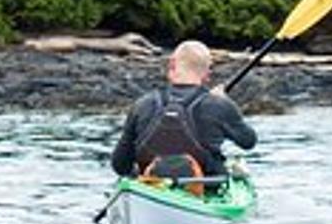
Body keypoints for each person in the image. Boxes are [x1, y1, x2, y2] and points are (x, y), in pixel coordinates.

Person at [110, 40, 258, 192]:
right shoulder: (219, 105)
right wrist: (225, 102)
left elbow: (120, 165)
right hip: (206, 186)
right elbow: (248, 141)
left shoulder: (142, 104)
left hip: (152, 186)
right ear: (207, 74)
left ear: (172, 65)